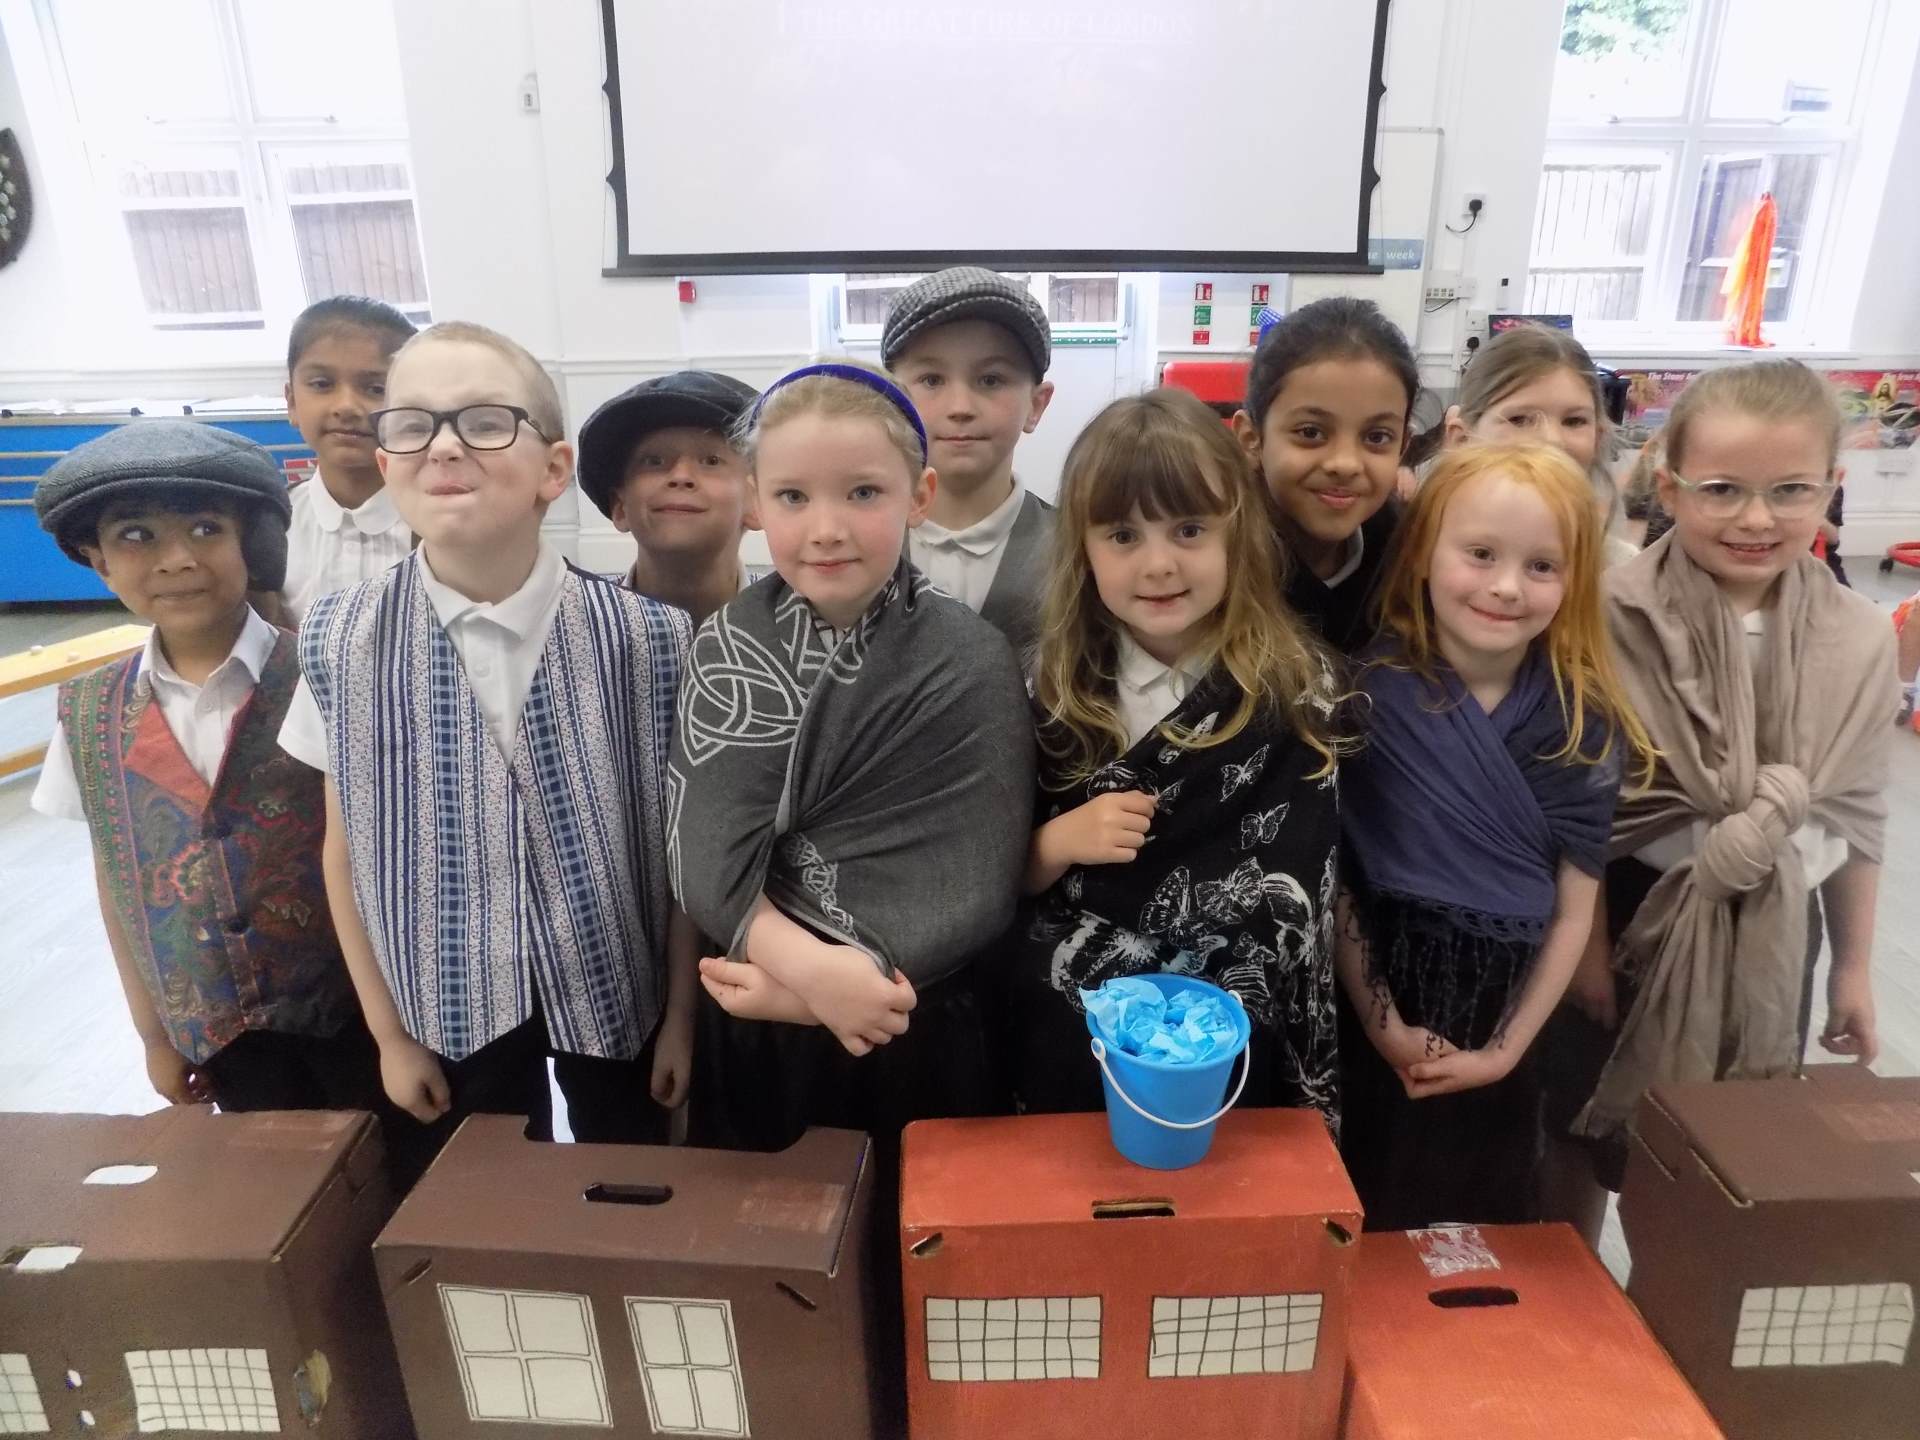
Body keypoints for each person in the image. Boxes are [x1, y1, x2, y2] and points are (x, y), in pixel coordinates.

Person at [277, 322, 698, 1182]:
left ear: (553, 468)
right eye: (414, 424)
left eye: (484, 422)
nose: (444, 446)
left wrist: (682, 1019)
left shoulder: (649, 639)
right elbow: (346, 852)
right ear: (388, 461)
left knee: (633, 1186)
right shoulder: (338, 640)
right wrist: (389, 1035)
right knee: (483, 1201)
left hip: (620, 997)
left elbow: (678, 848)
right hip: (446, 1005)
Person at [1550, 360, 1896, 1239]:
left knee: (1727, 1151)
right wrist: (1586, 951)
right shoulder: (1605, 613)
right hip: (1627, 909)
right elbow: (1579, 807)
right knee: (1585, 1127)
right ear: (1669, 488)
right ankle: (1576, 1286)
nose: (1756, 518)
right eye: (1722, 489)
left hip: (1779, 916)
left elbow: (1857, 817)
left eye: (1790, 490)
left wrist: (1852, 967)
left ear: (1831, 488)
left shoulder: (1859, 637)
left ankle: (1681, 1282)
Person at [671, 360, 1035, 1152]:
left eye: (863, 493)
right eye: (793, 497)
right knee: (774, 1222)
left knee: (914, 1220)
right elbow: (703, 861)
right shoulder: (724, 645)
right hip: (764, 1005)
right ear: (755, 504)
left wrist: (822, 992)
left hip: (915, 1014)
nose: (827, 527)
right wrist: (808, 976)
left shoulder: (971, 658)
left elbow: (979, 878)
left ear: (920, 496)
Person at [1334, 443, 1654, 1230]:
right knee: (1362, 1208)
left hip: (1505, 1021)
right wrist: (1384, 1026)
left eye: (1542, 566)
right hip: (1372, 1011)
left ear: (1575, 580)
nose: (1507, 587)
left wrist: (1505, 1050)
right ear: (1422, 553)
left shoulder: (1582, 723)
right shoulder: (1363, 696)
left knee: (1482, 1217)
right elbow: (1338, 883)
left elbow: (1573, 911)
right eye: (1480, 554)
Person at [1011, 387, 1347, 1129]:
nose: (1159, 564)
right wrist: (1059, 841)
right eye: (1123, 535)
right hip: (1075, 1046)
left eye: (1189, 529)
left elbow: (1307, 891)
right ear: (1082, 550)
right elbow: (992, 881)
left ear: (1237, 534)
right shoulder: (1047, 693)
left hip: (1240, 1048)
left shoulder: (1300, 691)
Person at [32, 420, 380, 1113]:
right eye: (136, 535)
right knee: (269, 1173)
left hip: (361, 1018)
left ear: (252, 545)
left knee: (398, 1166)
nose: (176, 559)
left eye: (204, 529)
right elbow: (119, 881)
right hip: (224, 1038)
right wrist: (153, 1034)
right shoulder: (90, 712)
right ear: (99, 562)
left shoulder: (329, 675)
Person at [883, 268, 1057, 661]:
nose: (960, 407)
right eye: (931, 380)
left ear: (1036, 405)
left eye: (991, 380)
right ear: (893, 398)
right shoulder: (854, 544)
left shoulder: (1077, 553)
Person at [1231, 296, 1420, 655]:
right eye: (1311, 432)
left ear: (1402, 446)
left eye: (1377, 437)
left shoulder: (1409, 556)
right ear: (1251, 438)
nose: (1345, 464)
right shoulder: (1209, 561)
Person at [1439, 321, 1636, 566]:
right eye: (1519, 419)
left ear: (1598, 437)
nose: (1552, 440)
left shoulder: (1620, 570)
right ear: (1462, 439)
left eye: (1574, 421)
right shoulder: (1415, 549)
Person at [575, 369, 761, 624]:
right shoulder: (574, 627)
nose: (681, 476)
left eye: (711, 461)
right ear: (619, 506)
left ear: (757, 503)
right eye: (654, 461)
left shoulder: (803, 623)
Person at [281, 296, 417, 622]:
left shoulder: (442, 524)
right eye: (322, 384)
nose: (346, 406)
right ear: (292, 402)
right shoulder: (273, 524)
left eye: (375, 389)